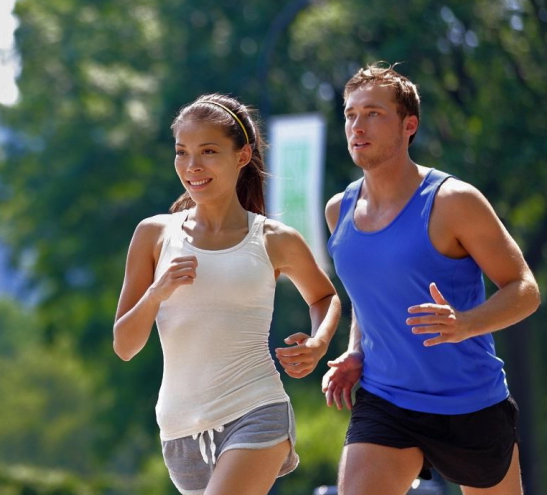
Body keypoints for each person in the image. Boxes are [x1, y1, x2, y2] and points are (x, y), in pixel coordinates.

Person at [321, 62, 541, 494]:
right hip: (385, 401)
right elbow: (369, 300)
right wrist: (355, 353)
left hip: (469, 404)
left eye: (373, 113)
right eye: (350, 114)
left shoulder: (453, 201)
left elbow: (525, 289)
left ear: (409, 125)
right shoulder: (339, 210)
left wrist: (466, 324)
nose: (357, 126)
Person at [113, 93, 342, 495]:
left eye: (208, 151)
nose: (192, 166)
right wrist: (156, 292)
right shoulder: (153, 235)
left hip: (255, 410)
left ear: (242, 155)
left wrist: (318, 343)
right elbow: (125, 345)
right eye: (182, 153)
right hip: (180, 428)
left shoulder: (274, 239)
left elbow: (325, 297)